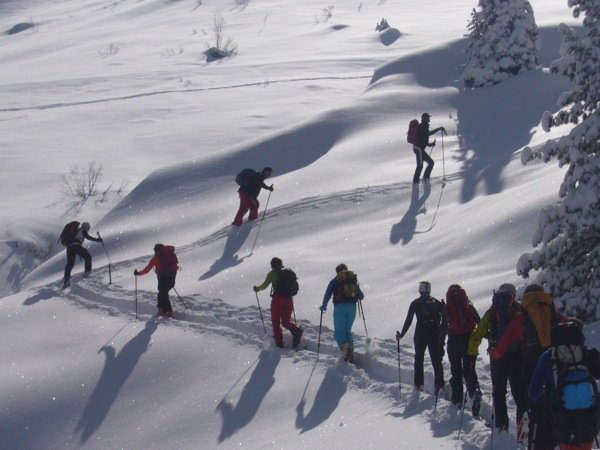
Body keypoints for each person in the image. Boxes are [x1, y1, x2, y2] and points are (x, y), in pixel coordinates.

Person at [528, 321, 600, 450]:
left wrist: (544, 400)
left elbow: (533, 391)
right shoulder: (585, 353)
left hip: (562, 417)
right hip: (588, 416)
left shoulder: (548, 357)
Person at [468, 283, 527, 435]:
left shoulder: (492, 312)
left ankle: (501, 426)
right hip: (517, 356)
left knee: (499, 392)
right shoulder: (519, 309)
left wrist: (472, 352)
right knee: (519, 391)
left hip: (497, 356)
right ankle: (523, 425)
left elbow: (478, 332)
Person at [397, 281, 446, 393]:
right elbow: (444, 320)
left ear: (421, 290)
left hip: (420, 333)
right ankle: (439, 385)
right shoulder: (437, 303)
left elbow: (409, 320)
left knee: (419, 359)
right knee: (436, 359)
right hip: (435, 333)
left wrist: (402, 334)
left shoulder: (415, 303)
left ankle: (419, 384)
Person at [445, 284, 481, 413]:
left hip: (454, 341)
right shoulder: (468, 305)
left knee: (456, 370)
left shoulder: (448, 307)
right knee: (469, 369)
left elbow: (443, 327)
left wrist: (439, 346)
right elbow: (479, 321)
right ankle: (475, 391)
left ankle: (458, 400)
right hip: (469, 340)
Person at [254, 257, 303, 349]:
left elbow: (264, 285)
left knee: (275, 321)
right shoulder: (287, 274)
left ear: (272, 266)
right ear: (281, 265)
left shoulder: (272, 274)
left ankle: (279, 341)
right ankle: (296, 330)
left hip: (278, 299)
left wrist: (257, 289)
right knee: (285, 321)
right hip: (289, 299)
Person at [320, 263, 365, 363]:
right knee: (347, 331)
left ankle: (346, 351)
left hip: (340, 307)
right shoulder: (352, 279)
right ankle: (351, 352)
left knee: (339, 331)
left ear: (337, 272)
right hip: (352, 308)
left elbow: (328, 294)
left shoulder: (335, 280)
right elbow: (361, 296)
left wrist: (324, 306)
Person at [134, 244, 179, 318]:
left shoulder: (157, 257)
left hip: (163, 278)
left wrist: (138, 273)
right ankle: (163, 311)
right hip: (172, 278)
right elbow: (175, 265)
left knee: (162, 295)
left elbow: (147, 269)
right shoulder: (171, 254)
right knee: (163, 294)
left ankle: (167, 312)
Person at [62, 221, 103, 289]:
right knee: (88, 257)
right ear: (86, 227)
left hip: (69, 248)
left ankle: (66, 280)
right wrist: (97, 240)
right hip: (76, 246)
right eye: (88, 228)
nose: (88, 229)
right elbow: (88, 237)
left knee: (70, 264)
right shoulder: (83, 230)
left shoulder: (76, 231)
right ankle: (87, 272)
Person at [412, 113, 446, 184]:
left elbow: (423, 138)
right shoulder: (423, 126)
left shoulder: (424, 126)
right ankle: (418, 181)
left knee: (428, 163)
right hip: (418, 149)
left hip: (418, 148)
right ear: (425, 119)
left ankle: (422, 179)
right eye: (428, 118)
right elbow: (425, 136)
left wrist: (429, 144)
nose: (429, 119)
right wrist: (438, 129)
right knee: (422, 165)